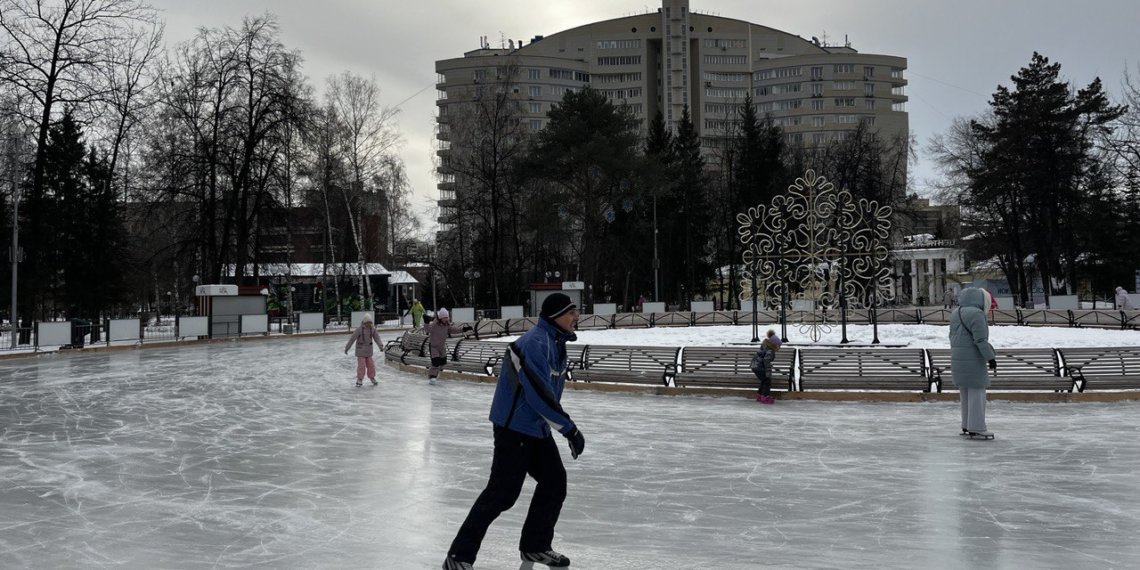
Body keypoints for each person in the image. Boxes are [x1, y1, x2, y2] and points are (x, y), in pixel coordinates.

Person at [442, 293, 584, 570]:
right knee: (501, 495)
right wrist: (569, 429)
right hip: (514, 429)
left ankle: (535, 547)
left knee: (554, 483)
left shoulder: (555, 342)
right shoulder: (535, 343)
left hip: (536, 428)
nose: (575, 317)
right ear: (556, 316)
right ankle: (458, 557)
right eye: (570, 312)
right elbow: (539, 395)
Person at [949, 288, 998, 438]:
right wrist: (990, 358)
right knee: (977, 391)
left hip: (958, 356)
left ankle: (966, 424)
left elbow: (951, 335)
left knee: (965, 392)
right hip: (973, 358)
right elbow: (980, 340)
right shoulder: (977, 314)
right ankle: (977, 426)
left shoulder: (956, 312)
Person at [427, 308, 471, 385]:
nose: (446, 319)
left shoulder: (447, 325)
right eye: (445, 317)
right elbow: (427, 330)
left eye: (447, 317)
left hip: (442, 347)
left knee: (443, 362)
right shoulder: (434, 325)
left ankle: (436, 372)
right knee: (435, 362)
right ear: (441, 317)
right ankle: (432, 376)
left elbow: (454, 329)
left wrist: (464, 329)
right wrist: (426, 322)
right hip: (434, 347)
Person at [344, 313, 383, 387]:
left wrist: (380, 346)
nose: (369, 324)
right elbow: (352, 339)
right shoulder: (359, 330)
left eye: (370, 322)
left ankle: (372, 377)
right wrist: (347, 348)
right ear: (364, 322)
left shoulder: (373, 330)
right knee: (361, 366)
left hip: (368, 352)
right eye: (368, 322)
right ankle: (360, 379)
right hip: (360, 351)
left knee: (371, 365)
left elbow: (377, 338)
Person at [750, 330, 783, 404]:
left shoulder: (765, 347)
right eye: (778, 346)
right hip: (759, 366)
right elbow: (766, 361)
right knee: (767, 380)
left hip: (755, 365)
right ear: (774, 345)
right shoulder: (770, 351)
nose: (779, 348)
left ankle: (760, 395)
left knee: (764, 380)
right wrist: (768, 372)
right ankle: (765, 396)